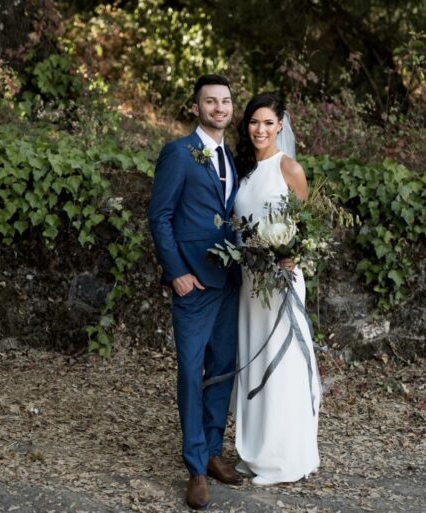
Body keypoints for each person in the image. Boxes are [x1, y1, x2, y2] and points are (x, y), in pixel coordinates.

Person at [148, 74, 243, 510]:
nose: (219, 108)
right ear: (196, 108)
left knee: (222, 367)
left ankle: (213, 450)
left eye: (225, 101)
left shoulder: (233, 159)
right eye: (211, 101)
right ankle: (195, 469)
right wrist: (177, 273)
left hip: (229, 283)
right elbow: (160, 217)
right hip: (193, 285)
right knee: (191, 371)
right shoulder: (179, 153)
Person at [232, 93, 321, 485]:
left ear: (281, 125)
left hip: (281, 282)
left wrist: (292, 256)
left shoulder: (290, 169)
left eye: (268, 123)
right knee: (252, 354)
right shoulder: (246, 171)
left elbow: (305, 230)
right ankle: (254, 451)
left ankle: (284, 456)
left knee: (280, 362)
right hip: (251, 283)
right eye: (254, 122)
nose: (260, 130)